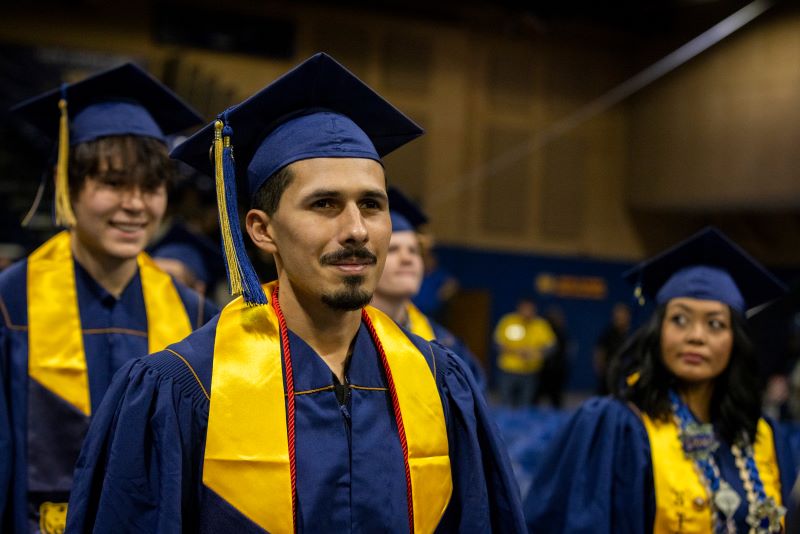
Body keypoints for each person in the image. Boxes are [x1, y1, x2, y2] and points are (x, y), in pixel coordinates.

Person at [66, 53, 525, 533]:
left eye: (372, 205)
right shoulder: (185, 388)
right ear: (262, 231)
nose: (356, 230)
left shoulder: (439, 381)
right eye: (324, 204)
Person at [1, 63, 218, 533]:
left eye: (152, 187)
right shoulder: (9, 304)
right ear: (69, 183)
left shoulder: (196, 314)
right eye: (114, 184)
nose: (136, 205)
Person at [524, 227, 795, 533]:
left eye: (715, 324)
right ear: (657, 332)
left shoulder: (763, 436)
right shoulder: (620, 428)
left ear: (735, 341)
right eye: (679, 319)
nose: (696, 336)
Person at [370, 186, 486, 390]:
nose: (407, 258)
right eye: (393, 249)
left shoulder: (446, 345)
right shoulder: (345, 343)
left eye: (414, 251)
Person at [494, 297, 556, 408]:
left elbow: (551, 346)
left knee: (525, 404)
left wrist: (536, 353)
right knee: (505, 403)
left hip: (530, 372)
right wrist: (516, 351)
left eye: (530, 309)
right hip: (508, 370)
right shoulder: (508, 321)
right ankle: (504, 424)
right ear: (519, 308)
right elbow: (498, 343)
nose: (527, 312)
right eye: (525, 309)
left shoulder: (540, 325)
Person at [533, 306, 569, 408]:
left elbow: (563, 353)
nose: (557, 320)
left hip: (557, 371)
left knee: (556, 398)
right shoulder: (543, 332)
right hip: (543, 370)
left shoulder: (562, 334)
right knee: (536, 397)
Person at [593, 302, 631, 394]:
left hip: (621, 376)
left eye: (624, 315)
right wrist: (601, 369)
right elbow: (599, 352)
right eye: (618, 315)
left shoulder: (627, 335)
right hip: (608, 376)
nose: (621, 318)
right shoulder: (608, 334)